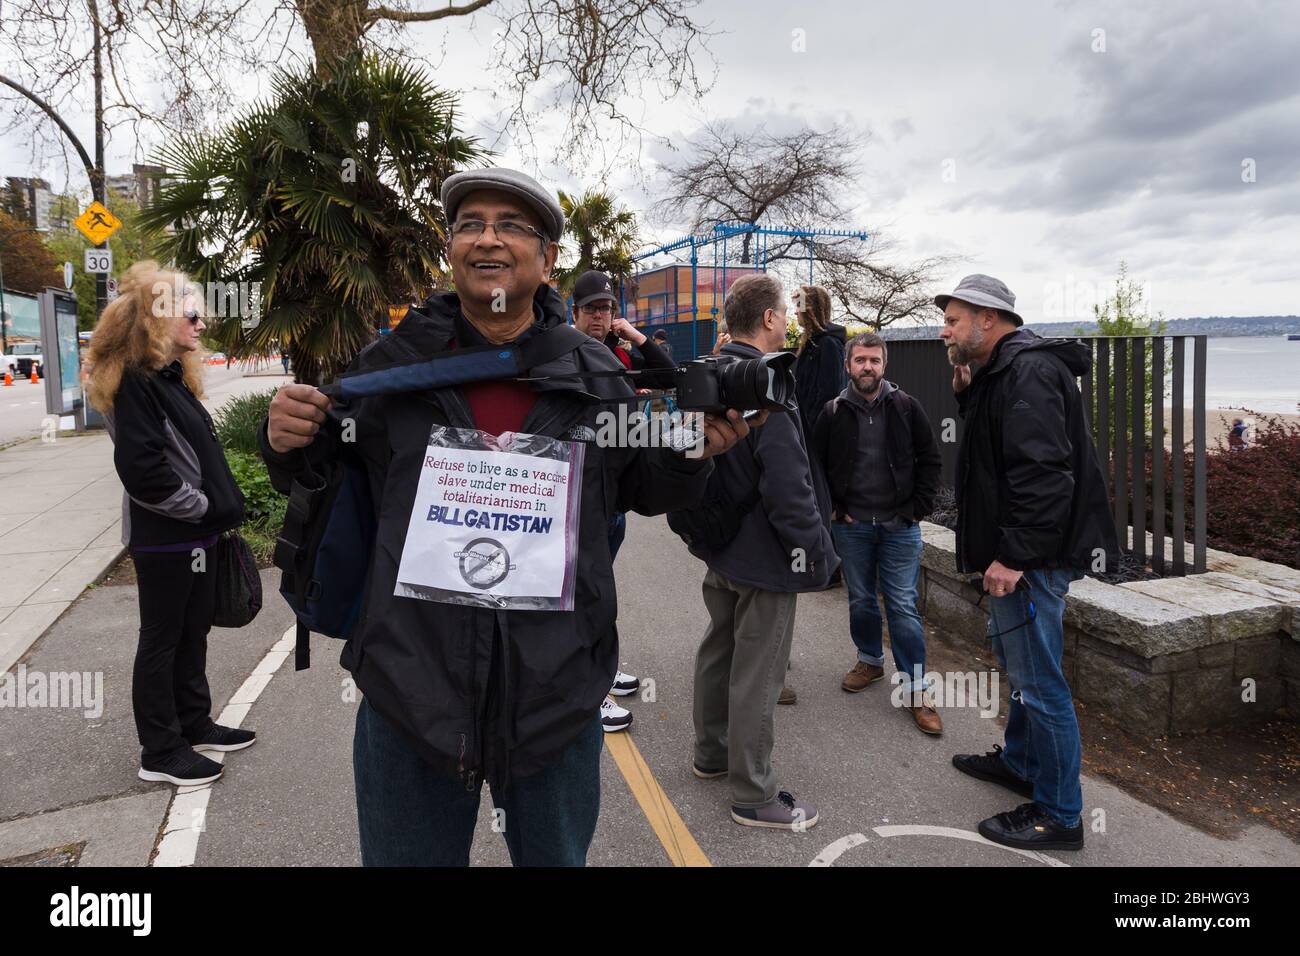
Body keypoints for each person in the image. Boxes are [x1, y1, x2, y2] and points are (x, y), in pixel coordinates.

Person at [261, 168, 760, 866]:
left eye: (509, 224)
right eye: (469, 223)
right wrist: (283, 438)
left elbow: (645, 487)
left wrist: (691, 452)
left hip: (553, 699)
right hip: (412, 695)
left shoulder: (593, 372)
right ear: (452, 248)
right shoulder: (393, 363)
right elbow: (323, 473)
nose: (486, 237)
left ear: (548, 257)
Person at [938, 274, 1118, 852]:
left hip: (1033, 560)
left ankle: (1061, 815)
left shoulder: (1030, 372)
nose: (945, 330)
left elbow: (1043, 476)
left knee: (1042, 686)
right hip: (1024, 554)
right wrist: (968, 396)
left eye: (953, 319)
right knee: (1022, 673)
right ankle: (1020, 762)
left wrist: (1013, 555)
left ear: (988, 320)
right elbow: (999, 451)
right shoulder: (1004, 371)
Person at [86, 261, 251, 787]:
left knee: (191, 633)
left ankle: (194, 724)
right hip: (166, 539)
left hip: (194, 538)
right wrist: (201, 508)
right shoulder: (136, 383)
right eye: (192, 314)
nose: (202, 323)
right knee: (161, 640)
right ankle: (159, 751)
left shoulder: (169, 377)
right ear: (156, 319)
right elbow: (144, 474)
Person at [685, 273, 838, 830]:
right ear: (769, 319)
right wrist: (817, 553)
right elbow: (788, 485)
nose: (791, 321)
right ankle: (754, 793)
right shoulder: (769, 381)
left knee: (718, 650)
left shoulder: (710, 370)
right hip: (767, 556)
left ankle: (710, 754)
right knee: (759, 672)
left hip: (719, 546)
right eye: (784, 312)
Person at [812, 332, 943, 734]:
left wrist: (915, 511)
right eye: (860, 360)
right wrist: (834, 508)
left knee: (902, 605)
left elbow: (931, 461)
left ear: (884, 365)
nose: (867, 367)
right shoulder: (832, 411)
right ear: (848, 365)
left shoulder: (906, 407)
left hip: (899, 528)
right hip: (852, 529)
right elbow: (816, 465)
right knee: (862, 600)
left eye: (874, 360)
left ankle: (918, 689)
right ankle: (870, 659)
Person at [570, 269, 678, 731]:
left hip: (612, 502)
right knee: (579, 600)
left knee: (600, 594)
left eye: (607, 309)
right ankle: (586, 692)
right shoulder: (563, 357)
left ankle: (603, 670)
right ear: (574, 312)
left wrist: (633, 336)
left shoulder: (615, 354)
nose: (600, 316)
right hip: (578, 503)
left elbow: (669, 378)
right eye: (592, 309)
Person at [792, 285, 847, 439]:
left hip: (817, 433)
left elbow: (829, 393)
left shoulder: (828, 343)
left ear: (810, 309)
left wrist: (809, 428)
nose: (796, 311)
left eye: (799, 305)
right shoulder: (811, 343)